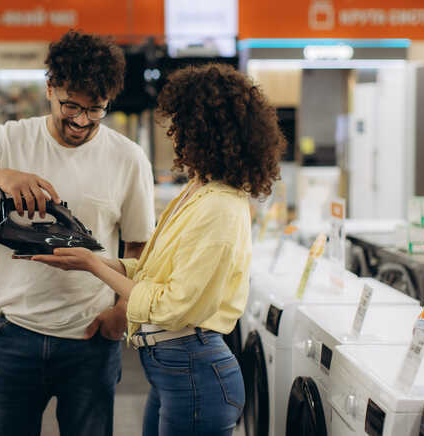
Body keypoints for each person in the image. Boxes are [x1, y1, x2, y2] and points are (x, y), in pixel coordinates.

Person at [34, 63, 286, 436]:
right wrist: (94, 262)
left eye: (181, 123)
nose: (173, 132)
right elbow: (155, 270)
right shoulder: (197, 190)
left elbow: (172, 305)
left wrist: (93, 266)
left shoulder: (220, 207)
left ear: (206, 131)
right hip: (174, 370)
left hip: (196, 372)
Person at [0, 30, 155, 436]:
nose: (81, 121)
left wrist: (121, 315)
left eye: (96, 110)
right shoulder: (9, 140)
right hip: (15, 335)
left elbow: (139, 247)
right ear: (50, 88)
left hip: (92, 338)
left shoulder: (128, 158)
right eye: (71, 105)